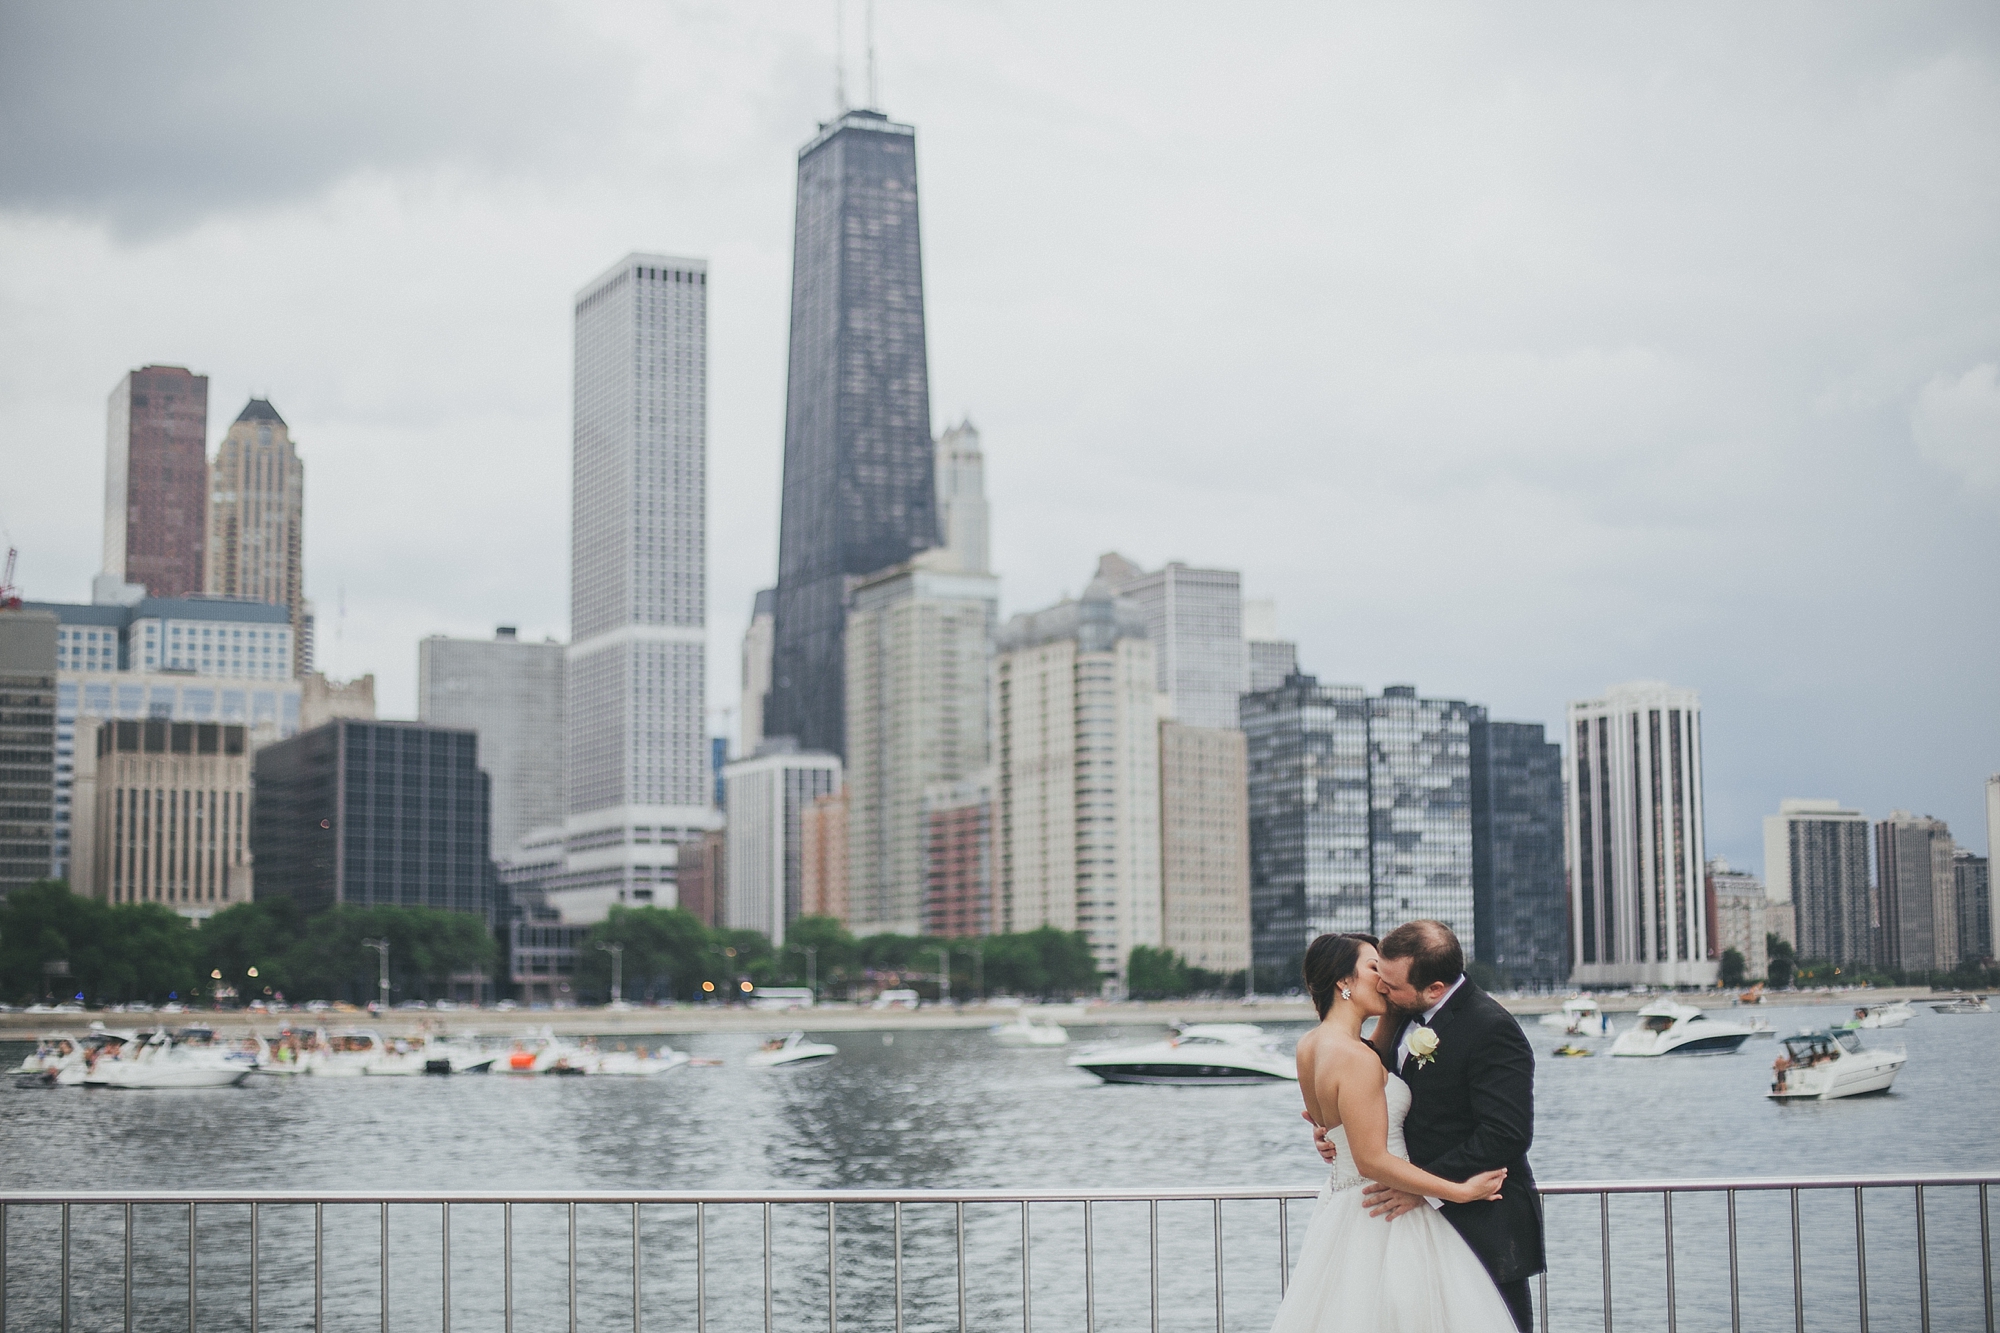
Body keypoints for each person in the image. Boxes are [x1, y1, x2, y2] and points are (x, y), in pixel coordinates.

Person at [1270, 932, 1520, 1333]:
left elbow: (1335, 1118)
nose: (1382, 979)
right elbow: (1370, 1157)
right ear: (1344, 982)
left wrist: (1326, 1133)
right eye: (1374, 969)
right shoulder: (1355, 1058)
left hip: (1342, 1204)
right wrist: (1456, 1191)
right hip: (1385, 1209)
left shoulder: (1311, 1045)